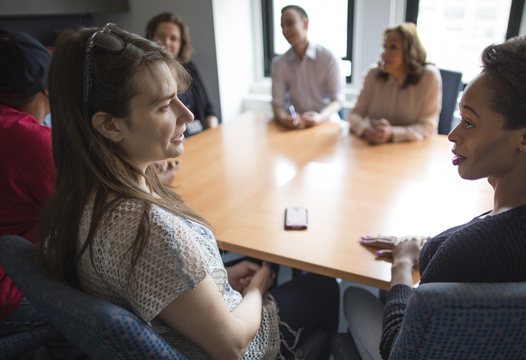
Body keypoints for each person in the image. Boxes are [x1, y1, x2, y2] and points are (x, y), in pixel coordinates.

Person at [39, 25, 339, 360]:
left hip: (191, 322)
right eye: (164, 106)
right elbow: (233, 345)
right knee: (325, 286)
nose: (188, 114)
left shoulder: (81, 201)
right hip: (237, 345)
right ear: (110, 125)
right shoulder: (146, 230)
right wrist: (259, 288)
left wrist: (216, 277)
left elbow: (154, 281)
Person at [346, 34, 526, 360]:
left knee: (352, 296)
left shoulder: (469, 250)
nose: (453, 134)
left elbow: (397, 349)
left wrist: (404, 263)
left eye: (470, 123)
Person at [0, 30, 81, 358]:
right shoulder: (31, 141)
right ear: (49, 86)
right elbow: (87, 213)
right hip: (7, 298)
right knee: (95, 312)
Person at [348, 23, 442, 145]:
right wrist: (367, 130)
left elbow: (428, 125)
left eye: (393, 47)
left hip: (413, 149)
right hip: (375, 148)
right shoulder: (372, 74)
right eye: (384, 46)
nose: (383, 54)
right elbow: (354, 114)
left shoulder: (429, 76)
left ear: (410, 51)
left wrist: (392, 133)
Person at [146, 12, 220, 137]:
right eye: (161, 36)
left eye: (173, 38)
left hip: (200, 136)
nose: (167, 42)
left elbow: (209, 108)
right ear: (150, 38)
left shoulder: (189, 67)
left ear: (181, 43)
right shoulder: (146, 74)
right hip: (173, 142)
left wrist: (213, 133)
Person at [271, 5, 345, 129]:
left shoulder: (328, 58)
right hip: (296, 125)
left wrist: (320, 117)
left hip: (326, 122)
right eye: (282, 26)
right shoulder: (280, 63)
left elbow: (338, 100)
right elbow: (277, 103)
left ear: (305, 24)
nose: (285, 30)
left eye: (289, 23)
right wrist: (284, 119)